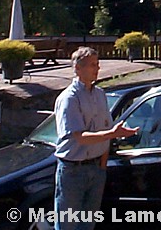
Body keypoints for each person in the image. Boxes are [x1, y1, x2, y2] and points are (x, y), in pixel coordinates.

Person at [53, 47, 138, 230]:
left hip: (96, 169)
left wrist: (102, 165)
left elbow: (105, 128)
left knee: (88, 224)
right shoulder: (69, 98)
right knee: (67, 224)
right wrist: (113, 134)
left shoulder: (100, 94)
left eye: (98, 64)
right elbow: (81, 138)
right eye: (92, 65)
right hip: (73, 171)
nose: (97, 69)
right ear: (77, 68)